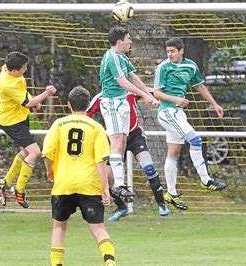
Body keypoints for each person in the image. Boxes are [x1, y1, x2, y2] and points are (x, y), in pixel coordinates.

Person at [43, 86, 115, 266]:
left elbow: (47, 153)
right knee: (98, 229)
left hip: (63, 183)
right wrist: (105, 187)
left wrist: (50, 171)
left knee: (59, 226)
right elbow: (101, 161)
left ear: (69, 105)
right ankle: (110, 261)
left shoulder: (58, 125)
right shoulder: (96, 127)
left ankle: (57, 263)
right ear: (89, 104)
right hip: (89, 185)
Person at [153, 37, 227, 210]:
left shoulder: (191, 66)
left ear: (181, 51)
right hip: (167, 112)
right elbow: (157, 93)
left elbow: (200, 86)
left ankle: (171, 193)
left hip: (178, 114)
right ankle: (206, 180)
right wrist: (175, 99)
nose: (169, 54)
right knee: (196, 140)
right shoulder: (163, 67)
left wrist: (214, 104)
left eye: (172, 51)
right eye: (167, 51)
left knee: (173, 153)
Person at [87, 92, 170, 221]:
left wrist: (158, 98)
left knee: (148, 168)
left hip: (135, 136)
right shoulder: (101, 98)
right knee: (107, 177)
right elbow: (86, 114)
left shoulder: (130, 91)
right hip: (115, 138)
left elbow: (153, 92)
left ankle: (161, 204)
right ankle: (121, 208)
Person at [99, 26, 159, 203]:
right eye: (128, 38)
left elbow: (134, 77)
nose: (130, 41)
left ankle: (120, 185)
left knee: (122, 142)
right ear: (120, 41)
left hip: (122, 103)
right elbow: (123, 82)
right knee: (117, 141)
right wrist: (147, 97)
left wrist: (149, 93)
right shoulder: (111, 57)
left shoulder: (122, 58)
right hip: (113, 103)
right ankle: (118, 185)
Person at [0, 51, 56, 208]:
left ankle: (6, 182)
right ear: (14, 70)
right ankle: (19, 189)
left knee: (27, 152)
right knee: (35, 153)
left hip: (20, 117)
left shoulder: (8, 69)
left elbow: (23, 95)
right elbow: (26, 103)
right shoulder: (8, 84)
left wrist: (33, 100)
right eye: (23, 68)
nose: (25, 70)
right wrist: (46, 94)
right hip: (11, 122)